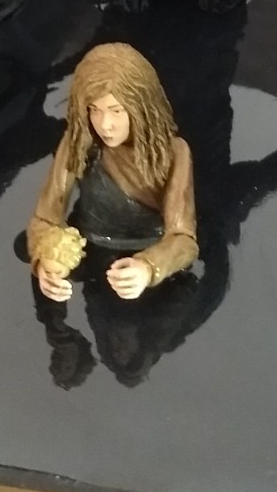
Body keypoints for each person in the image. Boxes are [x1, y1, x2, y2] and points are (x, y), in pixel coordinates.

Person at [26, 43, 197, 301]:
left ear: (140, 107)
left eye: (117, 111)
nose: (105, 125)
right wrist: (45, 259)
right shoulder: (79, 143)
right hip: (88, 254)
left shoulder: (173, 153)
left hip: (148, 259)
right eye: (94, 110)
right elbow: (45, 218)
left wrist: (149, 267)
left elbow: (184, 239)